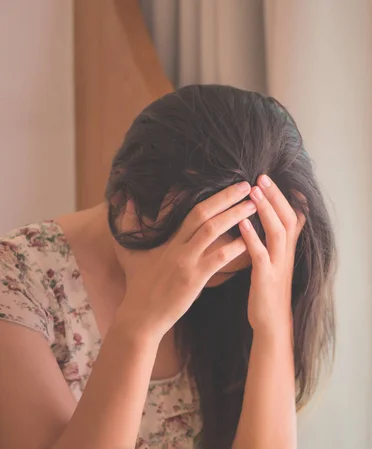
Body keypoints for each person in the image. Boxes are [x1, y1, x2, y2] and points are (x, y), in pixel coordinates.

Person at [0, 85, 336, 449]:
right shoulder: (17, 280)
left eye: (227, 272)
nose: (205, 279)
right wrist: (140, 324)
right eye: (201, 257)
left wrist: (273, 323)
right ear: (121, 197)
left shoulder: (241, 293)